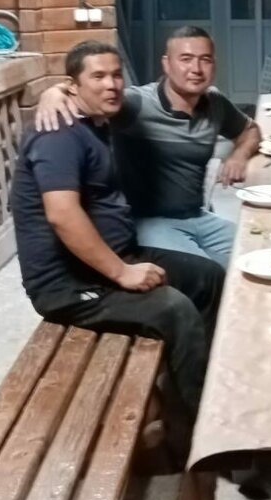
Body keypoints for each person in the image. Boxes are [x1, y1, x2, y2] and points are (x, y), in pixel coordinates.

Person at [11, 40, 224, 417]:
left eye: (115, 75)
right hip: (68, 285)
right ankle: (196, 429)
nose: (110, 85)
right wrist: (122, 272)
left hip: (116, 257)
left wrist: (55, 90)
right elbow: (62, 214)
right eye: (98, 76)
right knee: (175, 310)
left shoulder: (97, 120)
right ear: (74, 86)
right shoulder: (58, 134)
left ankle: (193, 389)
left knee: (208, 277)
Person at [35, 26, 261, 268]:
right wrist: (54, 92)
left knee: (260, 253)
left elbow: (251, 131)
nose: (196, 69)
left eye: (205, 60)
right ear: (166, 64)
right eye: (185, 59)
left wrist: (239, 155)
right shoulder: (136, 104)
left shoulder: (215, 102)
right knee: (209, 276)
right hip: (148, 222)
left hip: (198, 215)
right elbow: (91, 96)